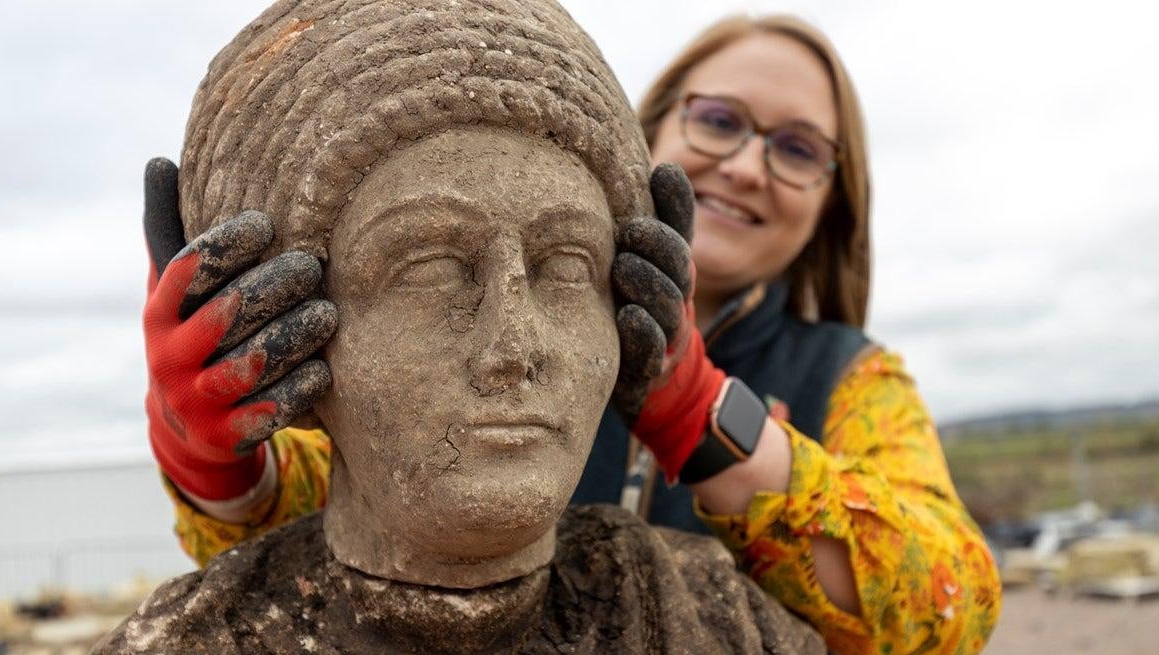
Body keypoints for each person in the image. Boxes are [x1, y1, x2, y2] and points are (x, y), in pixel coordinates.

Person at [139, 10, 1000, 655]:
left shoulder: (849, 378)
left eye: (800, 148)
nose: (747, 165)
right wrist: (217, 460)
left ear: (832, 200)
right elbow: (306, 524)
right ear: (655, 129)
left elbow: (949, 608)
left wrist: (704, 418)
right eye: (721, 121)